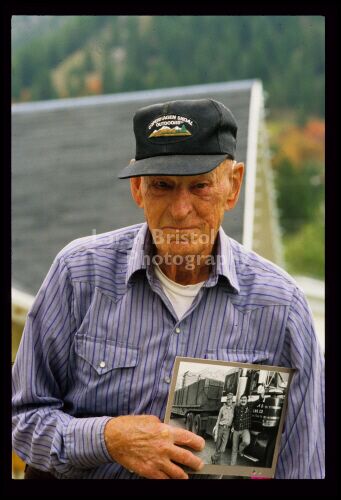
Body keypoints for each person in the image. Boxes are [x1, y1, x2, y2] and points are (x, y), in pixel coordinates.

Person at [12, 98, 325, 479]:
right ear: (138, 190)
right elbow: (22, 419)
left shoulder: (283, 307)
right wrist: (108, 438)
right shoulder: (78, 276)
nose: (180, 210)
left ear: (233, 185)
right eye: (163, 185)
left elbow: (303, 467)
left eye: (199, 186)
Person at [211, 393, 235, 464]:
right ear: (226, 400)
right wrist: (216, 427)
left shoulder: (233, 409)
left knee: (223, 448)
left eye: (230, 399)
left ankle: (214, 457)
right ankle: (215, 460)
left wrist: (233, 426)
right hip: (221, 427)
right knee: (218, 444)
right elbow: (219, 418)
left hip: (227, 429)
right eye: (228, 399)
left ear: (232, 400)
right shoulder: (222, 408)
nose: (229, 400)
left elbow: (234, 419)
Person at [230, 394, 254, 466]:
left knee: (246, 442)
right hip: (236, 430)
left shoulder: (249, 406)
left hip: (245, 430)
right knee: (234, 449)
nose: (243, 400)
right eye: (242, 399)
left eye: (245, 399)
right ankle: (232, 466)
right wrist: (232, 426)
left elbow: (257, 402)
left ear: (247, 400)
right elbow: (234, 418)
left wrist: (262, 396)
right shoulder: (237, 408)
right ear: (240, 400)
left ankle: (240, 450)